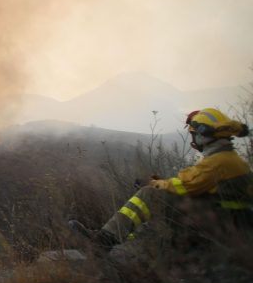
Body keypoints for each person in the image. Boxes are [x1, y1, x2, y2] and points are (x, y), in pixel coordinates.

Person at [70, 107, 252, 250]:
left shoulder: (217, 162)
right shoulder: (229, 159)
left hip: (221, 225)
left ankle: (106, 240)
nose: (194, 138)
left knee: (150, 195)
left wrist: (154, 184)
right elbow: (194, 184)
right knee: (162, 198)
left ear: (204, 135)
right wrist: (164, 183)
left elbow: (184, 186)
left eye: (194, 134)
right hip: (228, 221)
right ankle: (125, 239)